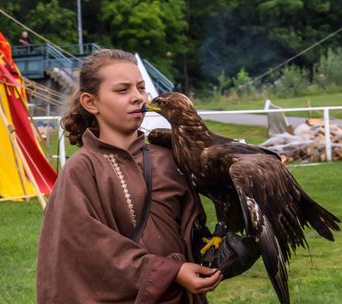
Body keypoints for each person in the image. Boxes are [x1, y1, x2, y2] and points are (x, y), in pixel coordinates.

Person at [37, 49, 222, 303]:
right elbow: (86, 249)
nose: (138, 98)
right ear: (91, 102)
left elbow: (193, 229)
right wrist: (170, 272)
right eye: (122, 90)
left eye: (141, 88)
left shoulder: (169, 157)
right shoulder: (82, 168)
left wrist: (223, 248)